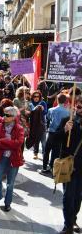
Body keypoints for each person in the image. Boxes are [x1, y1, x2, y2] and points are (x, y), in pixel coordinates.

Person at [0, 107, 24, 212]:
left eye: (7, 115)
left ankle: (7, 203)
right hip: (1, 157)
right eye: (4, 114)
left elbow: (18, 143)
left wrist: (4, 141)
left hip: (13, 159)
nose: (4, 117)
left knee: (10, 184)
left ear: (13, 117)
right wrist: (10, 142)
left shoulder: (19, 128)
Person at [58, 95, 82, 234]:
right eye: (79, 107)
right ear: (74, 106)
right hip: (69, 165)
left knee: (78, 197)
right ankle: (68, 225)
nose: (81, 110)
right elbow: (53, 141)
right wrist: (64, 130)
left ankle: (73, 219)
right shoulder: (67, 121)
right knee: (68, 196)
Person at [40, 94, 70, 175]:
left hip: (51, 132)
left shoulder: (51, 109)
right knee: (56, 152)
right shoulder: (67, 112)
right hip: (60, 133)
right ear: (65, 101)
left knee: (47, 151)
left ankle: (44, 167)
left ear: (57, 100)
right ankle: (53, 168)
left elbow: (48, 118)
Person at [29, 90, 48, 159]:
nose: (36, 98)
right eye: (34, 96)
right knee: (35, 139)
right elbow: (30, 114)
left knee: (43, 140)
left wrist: (42, 110)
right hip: (33, 124)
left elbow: (46, 112)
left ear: (40, 97)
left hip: (42, 124)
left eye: (38, 96)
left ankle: (44, 154)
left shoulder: (43, 103)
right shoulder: (30, 103)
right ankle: (35, 153)